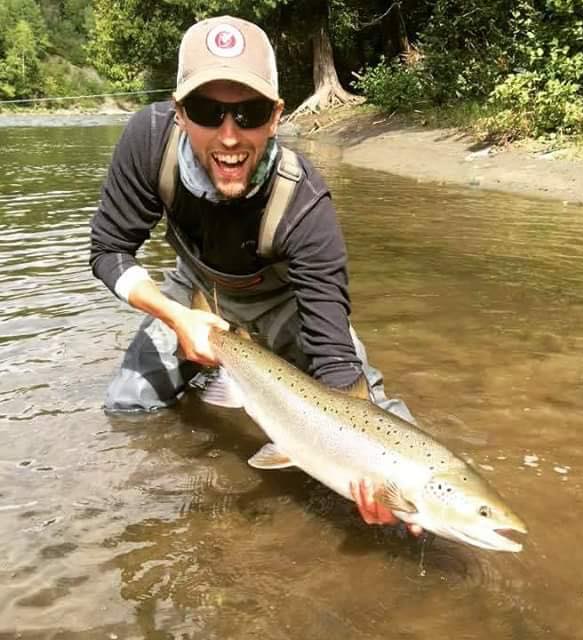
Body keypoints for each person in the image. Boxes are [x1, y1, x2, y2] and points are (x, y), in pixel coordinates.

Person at [89, 15, 420, 534]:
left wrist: (389, 475)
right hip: (192, 292)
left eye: (250, 113)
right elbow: (109, 251)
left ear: (276, 115)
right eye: (207, 110)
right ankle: (206, 392)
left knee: (370, 420)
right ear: (178, 112)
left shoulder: (305, 204)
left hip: (287, 307)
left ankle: (427, 494)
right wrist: (176, 317)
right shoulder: (147, 142)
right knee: (127, 407)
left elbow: (333, 359)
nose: (229, 136)